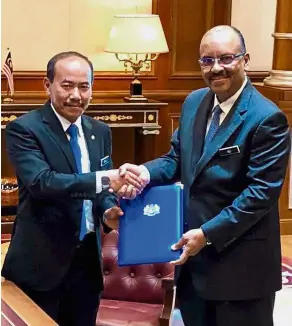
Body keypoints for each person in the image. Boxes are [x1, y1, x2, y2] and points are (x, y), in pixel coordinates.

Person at [119, 26, 291, 326]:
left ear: (245, 59)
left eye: (226, 58)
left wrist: (208, 234)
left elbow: (260, 194)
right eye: (207, 61)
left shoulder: (267, 117)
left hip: (241, 268)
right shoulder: (194, 103)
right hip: (194, 264)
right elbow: (176, 158)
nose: (216, 68)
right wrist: (143, 172)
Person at [1, 51, 143, 326]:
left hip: (87, 267)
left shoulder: (100, 131)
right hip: (40, 267)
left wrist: (109, 211)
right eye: (67, 85)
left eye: (84, 86)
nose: (76, 95)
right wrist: (105, 179)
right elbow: (43, 183)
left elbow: (102, 191)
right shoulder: (24, 129)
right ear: (47, 85)